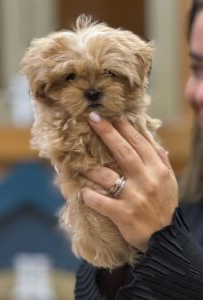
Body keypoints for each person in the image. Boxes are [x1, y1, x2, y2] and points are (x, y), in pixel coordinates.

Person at [74, 1, 203, 299]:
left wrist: (164, 237)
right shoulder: (177, 195)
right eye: (196, 68)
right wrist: (113, 233)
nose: (197, 93)